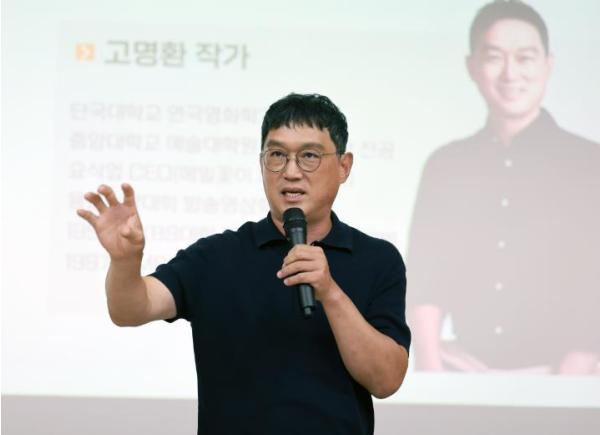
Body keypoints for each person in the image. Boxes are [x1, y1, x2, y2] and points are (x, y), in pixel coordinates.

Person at [77, 93, 411, 434]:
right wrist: (125, 261)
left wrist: (330, 292)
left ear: (343, 166)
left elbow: (386, 380)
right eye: (277, 155)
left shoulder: (377, 259)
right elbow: (131, 309)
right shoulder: (217, 256)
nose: (291, 172)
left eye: (309, 156)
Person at [408, 0, 600, 374]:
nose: (511, 73)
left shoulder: (589, 163)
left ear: (548, 65)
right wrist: (433, 374)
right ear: (472, 67)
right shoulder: (446, 166)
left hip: (570, 379)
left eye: (525, 58)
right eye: (495, 57)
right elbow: (425, 280)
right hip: (465, 374)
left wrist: (565, 384)